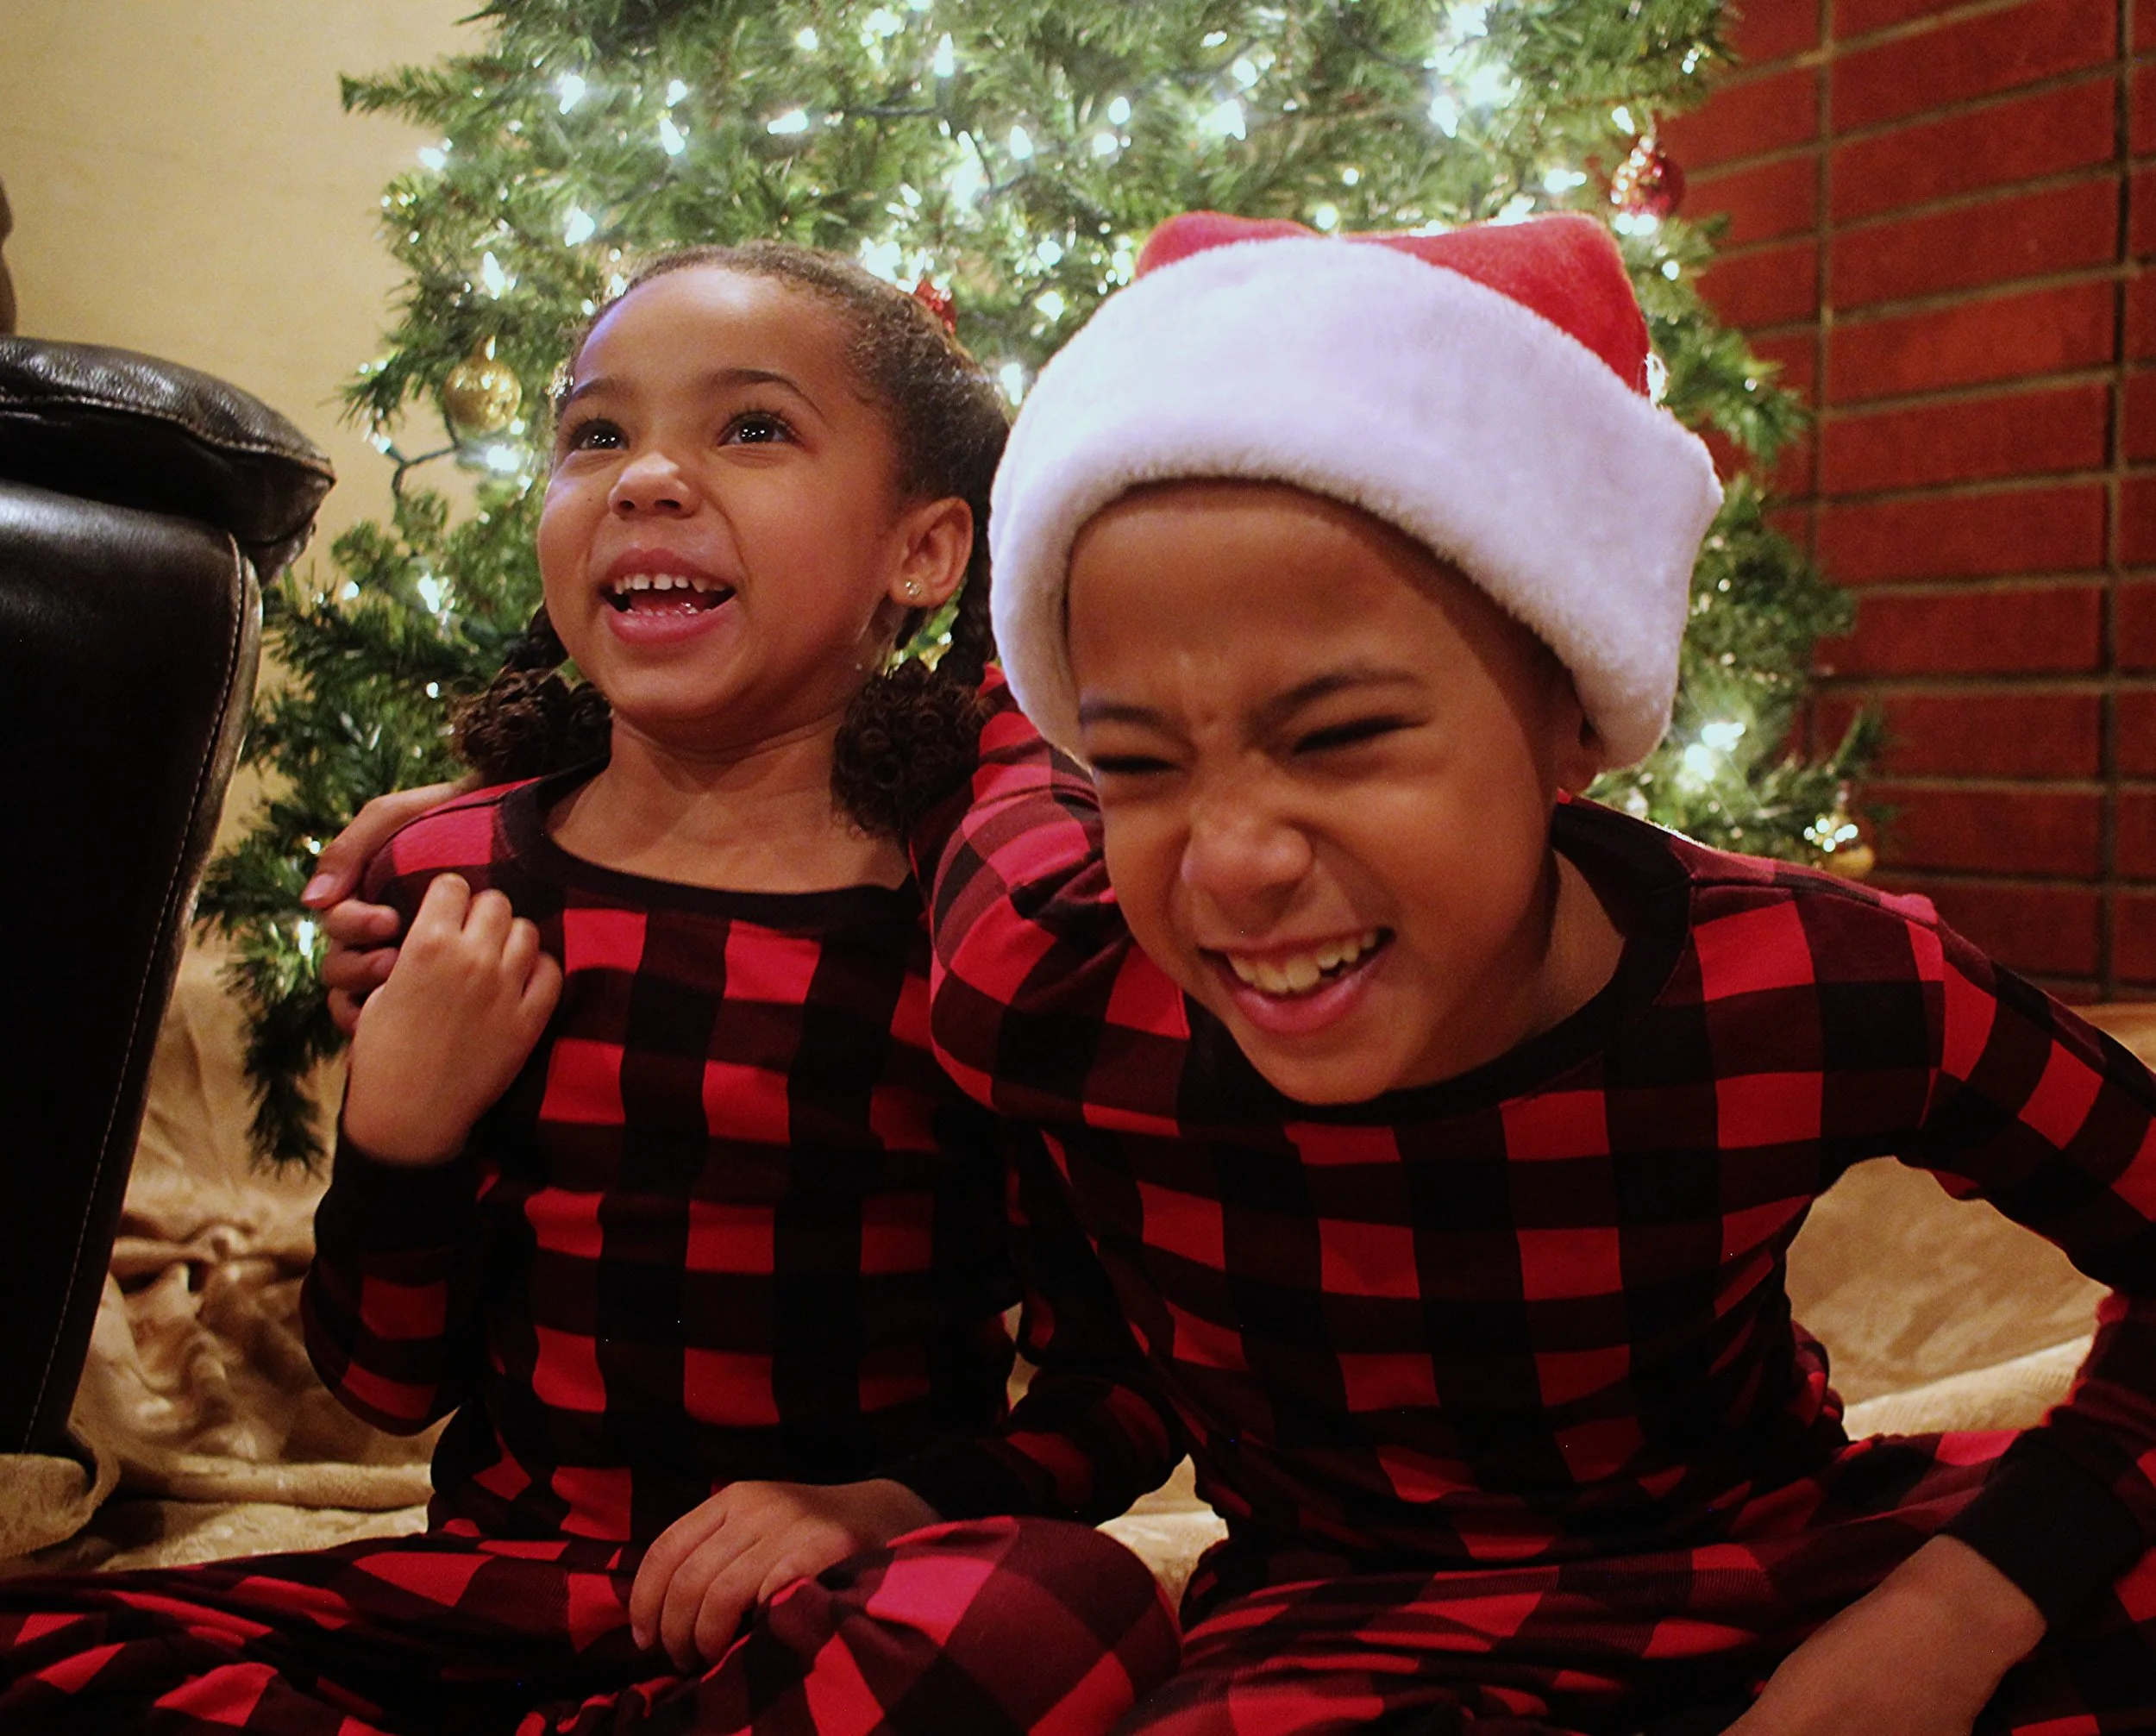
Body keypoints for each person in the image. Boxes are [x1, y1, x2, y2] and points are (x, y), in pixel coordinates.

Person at [908, 210, 2156, 1733]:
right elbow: (977, 753)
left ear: (1575, 714)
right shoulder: (1048, 978)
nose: (1230, 865)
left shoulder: (1822, 984)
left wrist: (1951, 1620)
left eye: (1341, 737)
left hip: (1790, 1561)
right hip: (1343, 1636)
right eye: (1139, 765)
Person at [0, 241, 1180, 1736]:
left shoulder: (975, 919)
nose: (647, 479)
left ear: (928, 553)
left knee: (1061, 1614)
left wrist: (886, 1509)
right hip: (501, 1594)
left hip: (825, 1602)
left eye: (753, 428)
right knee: (48, 1648)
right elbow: (382, 1381)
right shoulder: (453, 881)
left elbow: (1117, 1386)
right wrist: (402, 1135)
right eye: (596, 433)